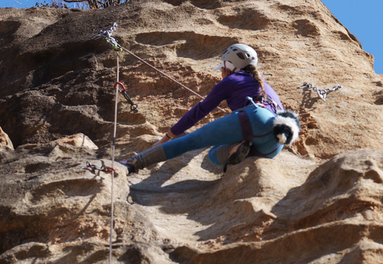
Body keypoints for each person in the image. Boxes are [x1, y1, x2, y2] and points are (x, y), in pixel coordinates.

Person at [120, 43, 300, 174]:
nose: (222, 71)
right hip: (273, 145)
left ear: (229, 66)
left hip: (254, 117)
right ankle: (236, 148)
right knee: (215, 154)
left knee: (190, 142)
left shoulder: (231, 80)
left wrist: (166, 137)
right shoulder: (268, 88)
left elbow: (199, 112)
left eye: (223, 67)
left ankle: (135, 162)